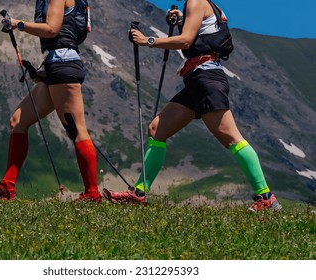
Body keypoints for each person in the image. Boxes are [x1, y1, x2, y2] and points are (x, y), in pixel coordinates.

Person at [102, 0, 282, 211]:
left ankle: (265, 196)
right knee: (156, 129)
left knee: (231, 137)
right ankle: (139, 192)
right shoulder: (211, 6)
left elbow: (187, 41)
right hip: (197, 80)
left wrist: (147, 41)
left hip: (206, 79)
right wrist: (181, 19)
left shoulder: (196, 2)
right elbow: (200, 32)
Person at [0, 0, 102, 202]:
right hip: (56, 64)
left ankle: (92, 193)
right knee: (18, 121)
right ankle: (7, 186)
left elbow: (52, 30)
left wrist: (19, 24)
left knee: (76, 129)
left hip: (63, 65)